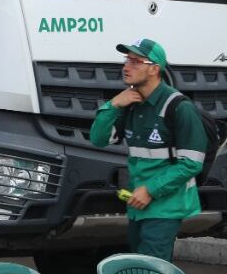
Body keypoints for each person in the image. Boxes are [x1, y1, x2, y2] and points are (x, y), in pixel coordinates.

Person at [89, 38, 208, 263]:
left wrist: (150, 190)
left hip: (165, 205)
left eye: (135, 61)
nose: (126, 66)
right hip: (138, 205)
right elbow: (98, 139)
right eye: (126, 60)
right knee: (142, 264)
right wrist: (112, 105)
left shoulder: (180, 107)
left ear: (154, 69)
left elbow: (192, 163)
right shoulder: (130, 102)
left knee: (148, 266)